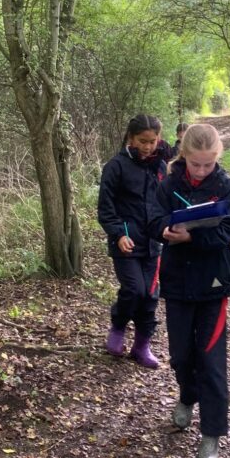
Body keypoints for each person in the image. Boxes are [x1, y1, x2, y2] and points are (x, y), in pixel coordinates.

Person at [149, 123, 230, 458]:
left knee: (211, 362)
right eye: (195, 164)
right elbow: (153, 218)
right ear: (184, 156)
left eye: (207, 164)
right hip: (177, 281)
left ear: (216, 159)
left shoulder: (227, 187)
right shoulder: (170, 183)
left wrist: (194, 238)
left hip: (214, 283)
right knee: (180, 355)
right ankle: (188, 395)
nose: (201, 170)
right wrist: (164, 229)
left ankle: (211, 436)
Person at [97, 114, 166, 369]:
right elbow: (105, 209)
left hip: (154, 243)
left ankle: (141, 347)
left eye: (152, 141)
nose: (148, 146)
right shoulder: (115, 166)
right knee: (134, 290)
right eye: (142, 141)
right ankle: (117, 326)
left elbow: (164, 202)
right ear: (130, 138)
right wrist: (119, 233)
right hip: (125, 242)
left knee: (150, 295)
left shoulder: (159, 166)